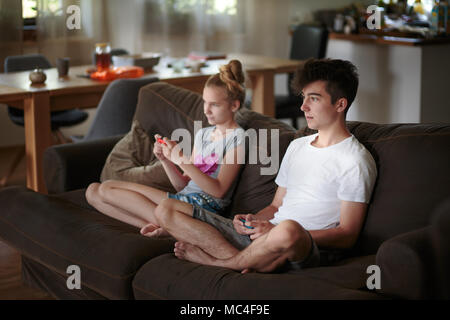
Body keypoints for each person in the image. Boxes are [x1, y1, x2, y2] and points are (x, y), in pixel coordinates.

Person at [152, 58, 378, 273]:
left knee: (289, 229)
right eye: (304, 97)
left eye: (314, 99)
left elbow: (347, 234)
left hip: (301, 245)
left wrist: (275, 231)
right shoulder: (298, 146)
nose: (303, 107)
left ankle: (223, 263)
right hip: (265, 236)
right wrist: (252, 220)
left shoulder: (355, 160)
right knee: (167, 209)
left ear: (340, 104)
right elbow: (275, 205)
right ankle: (246, 262)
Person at [85, 60, 246, 237]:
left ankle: (170, 226)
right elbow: (183, 186)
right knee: (93, 192)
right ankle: (165, 228)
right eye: (205, 102)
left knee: (106, 189)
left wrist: (182, 160)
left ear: (234, 105)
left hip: (203, 207)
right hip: (183, 199)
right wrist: (167, 161)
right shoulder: (204, 134)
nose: (206, 110)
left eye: (214, 104)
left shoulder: (237, 138)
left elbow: (218, 190)